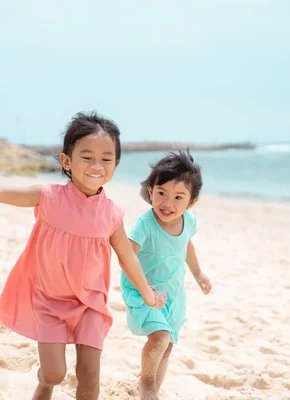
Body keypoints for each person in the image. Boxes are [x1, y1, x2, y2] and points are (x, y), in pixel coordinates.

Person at [0, 112, 167, 400]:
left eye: (106, 159)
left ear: (115, 164)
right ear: (67, 161)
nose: (96, 165)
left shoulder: (111, 214)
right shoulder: (48, 197)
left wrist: (148, 294)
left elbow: (128, 259)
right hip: (49, 302)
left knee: (90, 375)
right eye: (86, 157)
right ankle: (44, 384)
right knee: (54, 373)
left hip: (91, 304)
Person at [120, 150, 212, 399]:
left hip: (172, 292)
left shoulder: (189, 221)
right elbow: (127, 257)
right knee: (160, 339)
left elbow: (186, 247)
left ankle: (152, 392)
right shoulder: (145, 224)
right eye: (161, 193)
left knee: (168, 345)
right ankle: (147, 385)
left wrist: (198, 273)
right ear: (150, 192)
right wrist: (145, 289)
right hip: (142, 289)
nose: (167, 203)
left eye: (178, 197)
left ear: (191, 202)